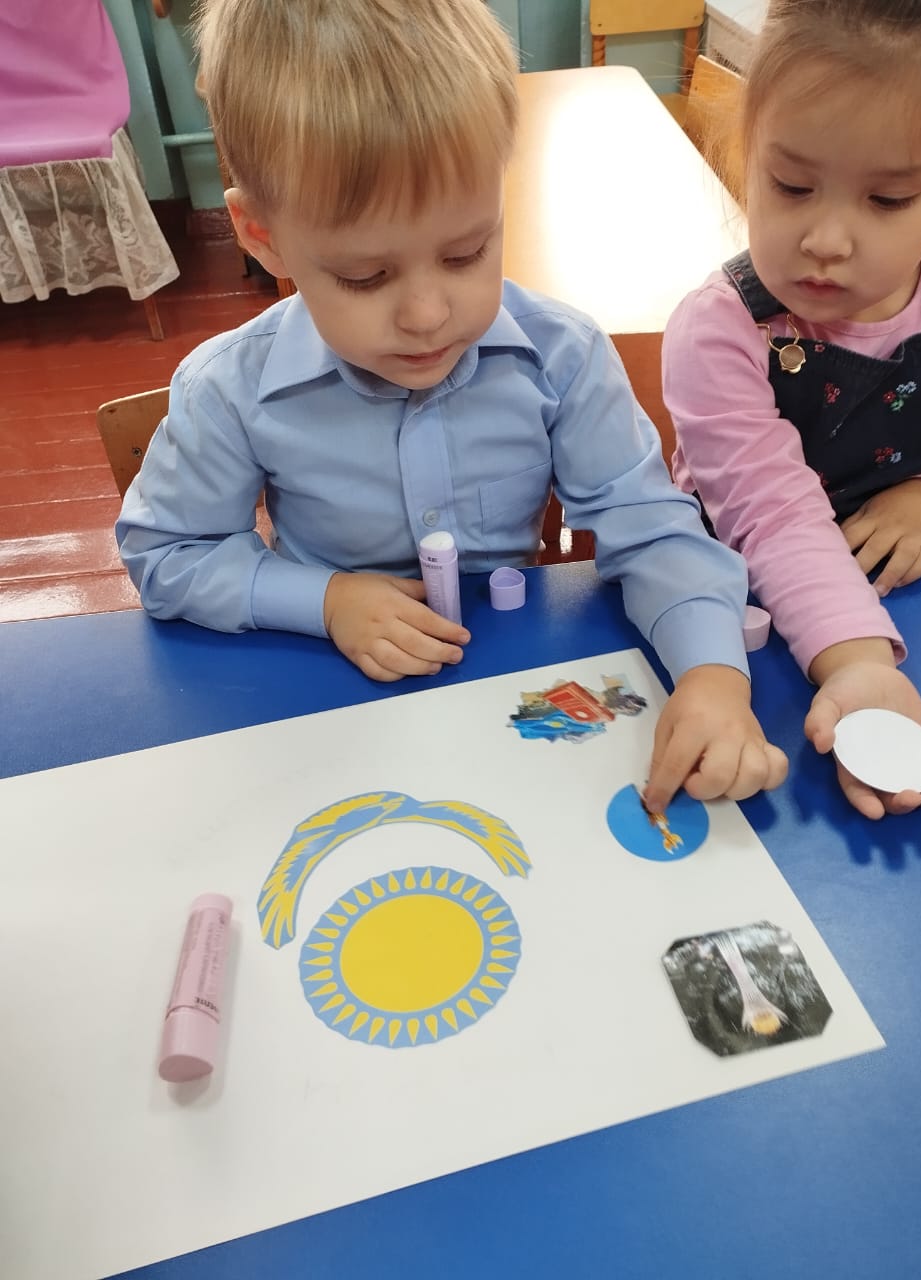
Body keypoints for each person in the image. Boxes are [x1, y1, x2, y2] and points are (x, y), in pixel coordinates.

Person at [116, 0, 786, 812]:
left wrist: (712, 673)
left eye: (466, 252)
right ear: (261, 235)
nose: (428, 315)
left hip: (516, 704)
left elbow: (649, 528)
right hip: (324, 709)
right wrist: (324, 600)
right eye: (364, 277)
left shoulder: (562, 356)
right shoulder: (229, 388)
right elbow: (169, 555)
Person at [662, 0, 921, 819]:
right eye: (791, 185)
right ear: (747, 152)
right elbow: (770, 512)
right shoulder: (721, 330)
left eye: (887, 199)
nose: (825, 239)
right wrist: (859, 664)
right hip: (744, 631)